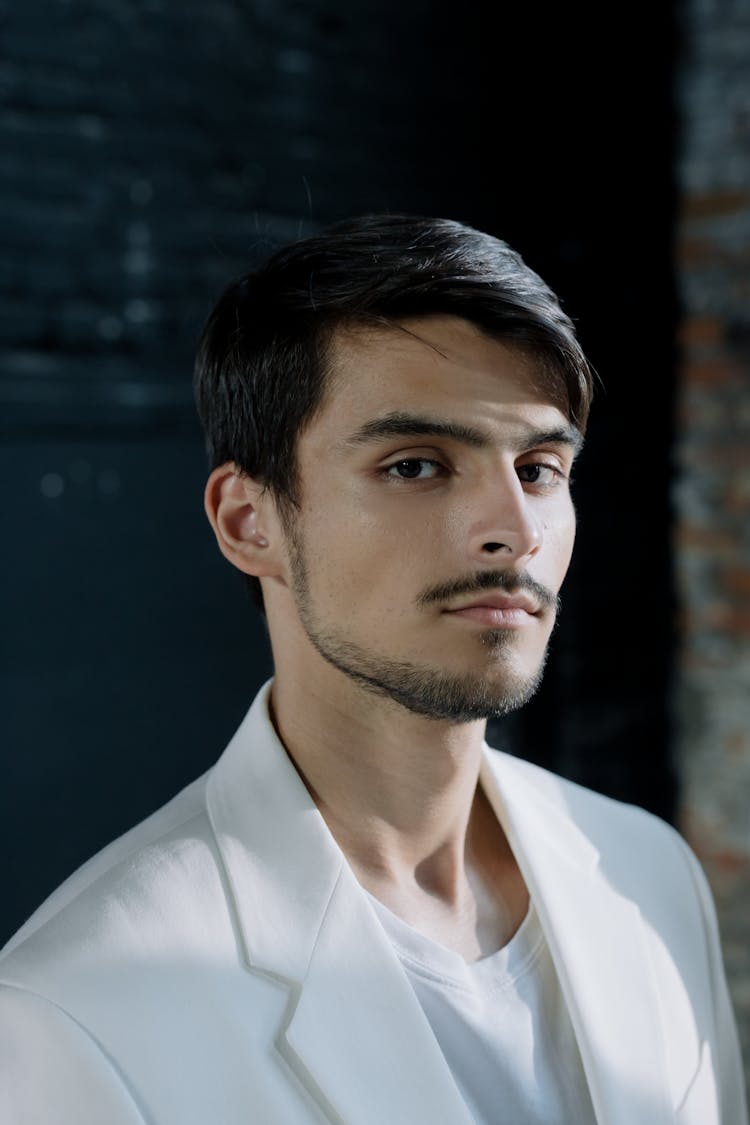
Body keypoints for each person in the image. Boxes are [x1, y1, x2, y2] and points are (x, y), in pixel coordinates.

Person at [0, 214, 746, 1125]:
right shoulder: (75, 1013)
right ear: (249, 520)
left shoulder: (647, 873)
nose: (513, 528)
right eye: (417, 465)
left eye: (541, 467)